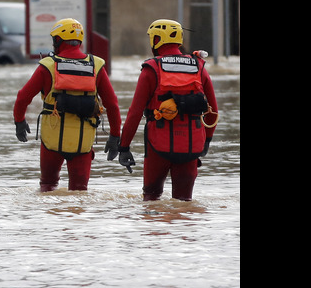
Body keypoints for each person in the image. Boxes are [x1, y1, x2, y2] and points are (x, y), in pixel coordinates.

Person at [13, 18, 122, 192]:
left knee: (48, 187)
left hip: (51, 142)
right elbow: (113, 104)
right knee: (79, 192)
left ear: (57, 40)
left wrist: (19, 121)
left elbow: (22, 97)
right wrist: (115, 136)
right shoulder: (97, 65)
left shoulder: (47, 66)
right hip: (82, 143)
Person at [116, 19, 219, 201]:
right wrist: (206, 141)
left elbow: (134, 112)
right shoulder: (199, 66)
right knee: (184, 204)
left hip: (158, 145)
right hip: (191, 145)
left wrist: (124, 146)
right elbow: (213, 111)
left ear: (156, 40)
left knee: (151, 201)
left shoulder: (151, 68)